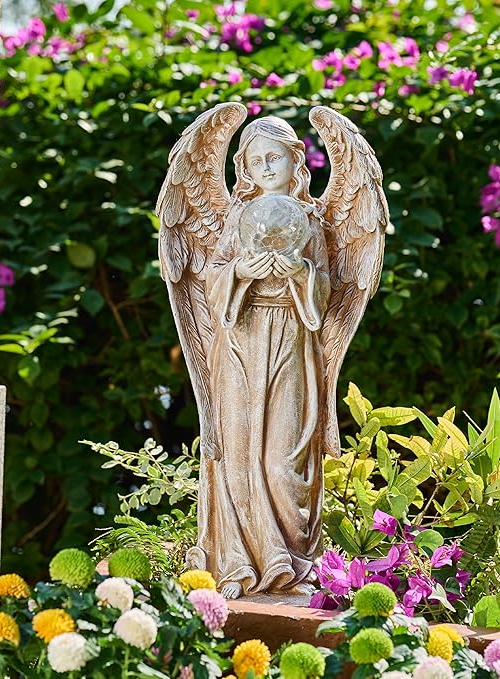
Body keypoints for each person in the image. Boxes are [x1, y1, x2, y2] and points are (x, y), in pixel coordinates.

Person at [184, 116, 331, 599]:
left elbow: (326, 290)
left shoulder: (311, 222)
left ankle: (292, 561)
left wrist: (301, 272)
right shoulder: (236, 218)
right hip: (240, 340)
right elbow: (211, 278)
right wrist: (241, 272)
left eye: (275, 157)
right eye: (255, 160)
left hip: (290, 336)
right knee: (238, 450)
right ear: (243, 167)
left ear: (296, 160)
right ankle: (242, 562)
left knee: (281, 461)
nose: (266, 168)